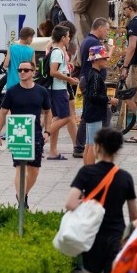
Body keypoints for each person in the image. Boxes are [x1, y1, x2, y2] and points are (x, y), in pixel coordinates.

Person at [64, 128, 137, 273]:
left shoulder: (86, 173)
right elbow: (133, 217)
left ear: (97, 147)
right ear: (117, 150)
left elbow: (70, 203)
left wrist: (85, 203)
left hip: (92, 238)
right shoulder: (124, 177)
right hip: (116, 240)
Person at [0, 60, 52, 209]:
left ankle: (23, 194)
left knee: (34, 170)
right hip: (18, 133)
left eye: (26, 70)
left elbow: (48, 111)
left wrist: (48, 131)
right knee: (20, 167)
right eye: (20, 70)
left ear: (33, 72)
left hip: (36, 134)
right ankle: (21, 202)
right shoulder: (12, 92)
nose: (22, 73)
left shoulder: (41, 91)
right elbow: (2, 112)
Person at [75, 18, 111, 158]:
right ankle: (102, 145)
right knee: (101, 114)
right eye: (107, 29)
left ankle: (82, 146)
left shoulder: (87, 40)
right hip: (89, 80)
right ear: (100, 27)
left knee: (89, 114)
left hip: (86, 78)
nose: (107, 33)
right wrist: (108, 99)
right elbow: (95, 96)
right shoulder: (94, 43)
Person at [46, 24, 79, 160]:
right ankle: (41, 138)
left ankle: (53, 152)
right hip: (58, 89)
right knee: (66, 118)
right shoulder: (58, 52)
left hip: (58, 88)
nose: (69, 38)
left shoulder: (57, 50)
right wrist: (69, 79)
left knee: (58, 118)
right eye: (68, 36)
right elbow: (53, 72)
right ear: (63, 38)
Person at [82, 46, 119, 167]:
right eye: (104, 58)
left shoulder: (91, 74)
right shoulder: (96, 76)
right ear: (97, 59)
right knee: (93, 144)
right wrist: (109, 99)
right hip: (94, 113)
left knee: (89, 143)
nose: (106, 60)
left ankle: (87, 169)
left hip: (90, 112)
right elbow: (94, 95)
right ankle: (91, 170)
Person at [120, 0, 137, 143]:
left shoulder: (134, 24)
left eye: (124, 9)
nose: (123, 12)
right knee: (126, 94)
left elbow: (132, 46)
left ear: (130, 8)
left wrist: (125, 66)